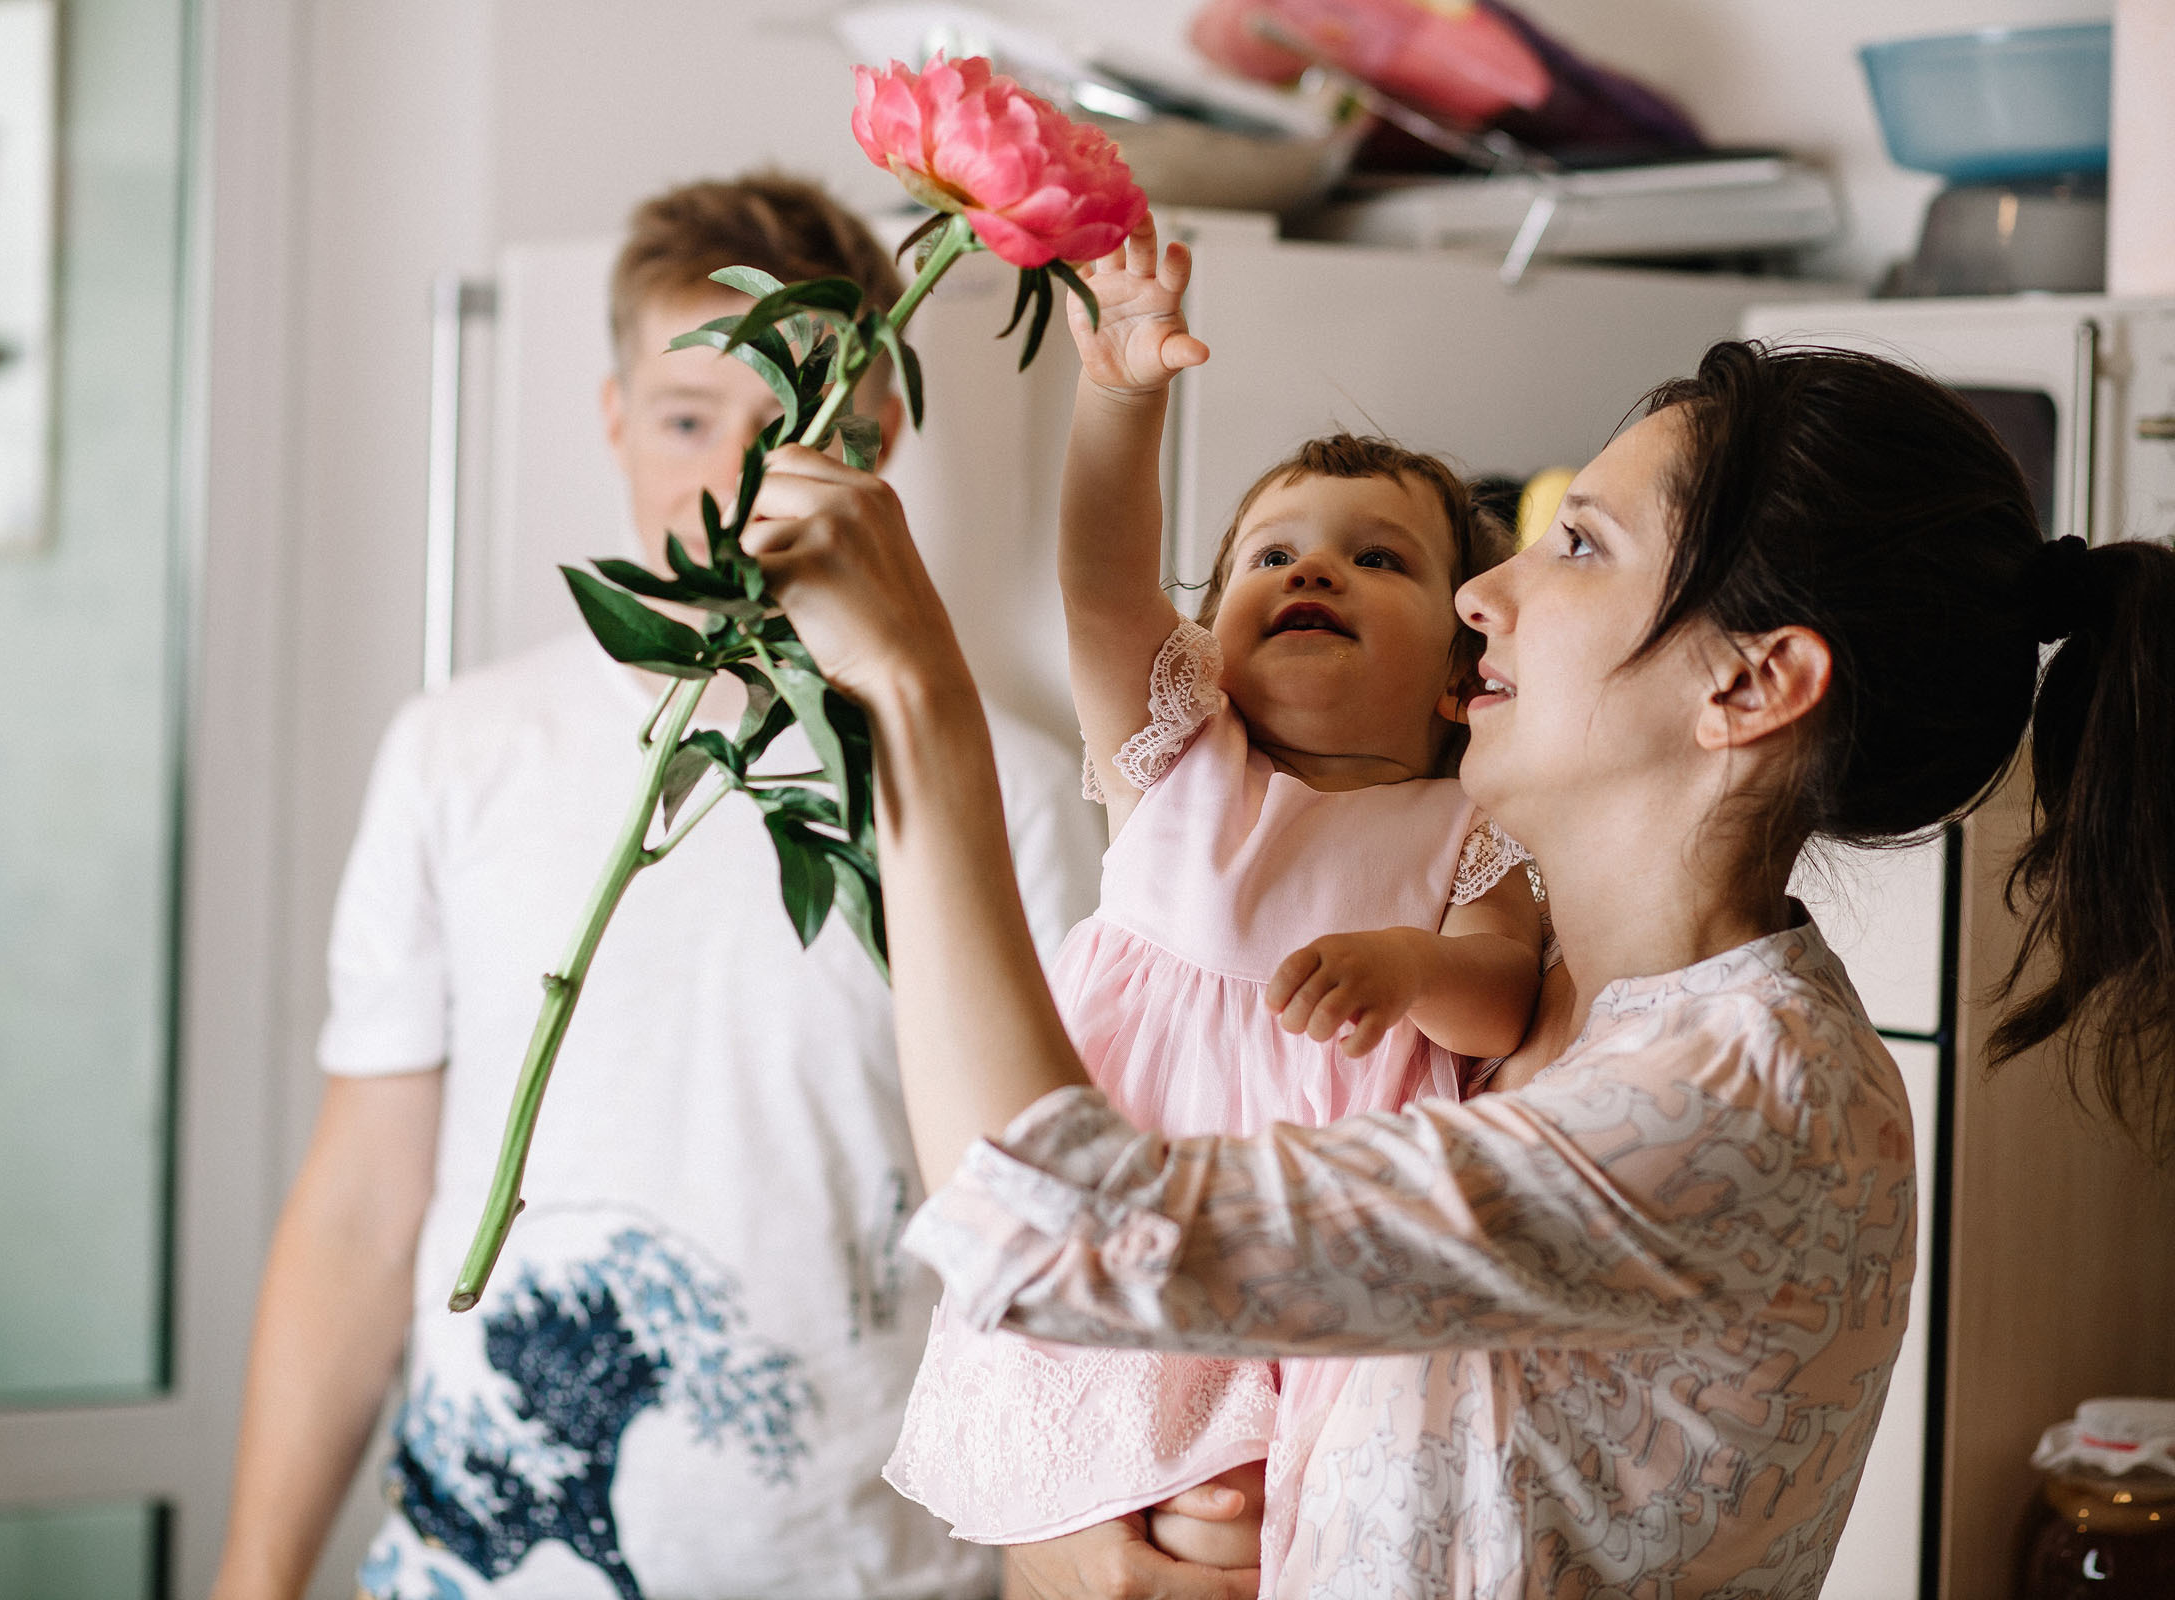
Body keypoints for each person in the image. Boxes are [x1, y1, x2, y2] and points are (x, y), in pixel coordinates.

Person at [736, 338, 2175, 1596]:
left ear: (1749, 684)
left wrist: (917, 706)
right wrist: (1076, 1537)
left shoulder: (1728, 1110)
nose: (1489, 590)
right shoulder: (1544, 1020)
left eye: (1581, 547)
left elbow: (1063, 1243)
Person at [208, 173, 1104, 1600]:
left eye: (791, 426)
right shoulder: (459, 754)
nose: (738, 476)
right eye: (689, 418)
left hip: (865, 1572)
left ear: (876, 438)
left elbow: (1055, 1236)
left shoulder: (1010, 789)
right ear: (615, 417)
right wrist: (252, 1580)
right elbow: (363, 1211)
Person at [884, 216, 1541, 1583]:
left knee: (1243, 1530)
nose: (1315, 568)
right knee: (1138, 1515)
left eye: (1380, 559)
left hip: (1313, 1252)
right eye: (1272, 554)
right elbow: (1101, 576)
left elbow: (1502, 1002)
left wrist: (1409, 968)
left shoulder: (1470, 822)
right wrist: (1125, 396)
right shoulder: (1180, 761)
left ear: (1454, 678)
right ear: (1211, 641)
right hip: (1129, 1219)